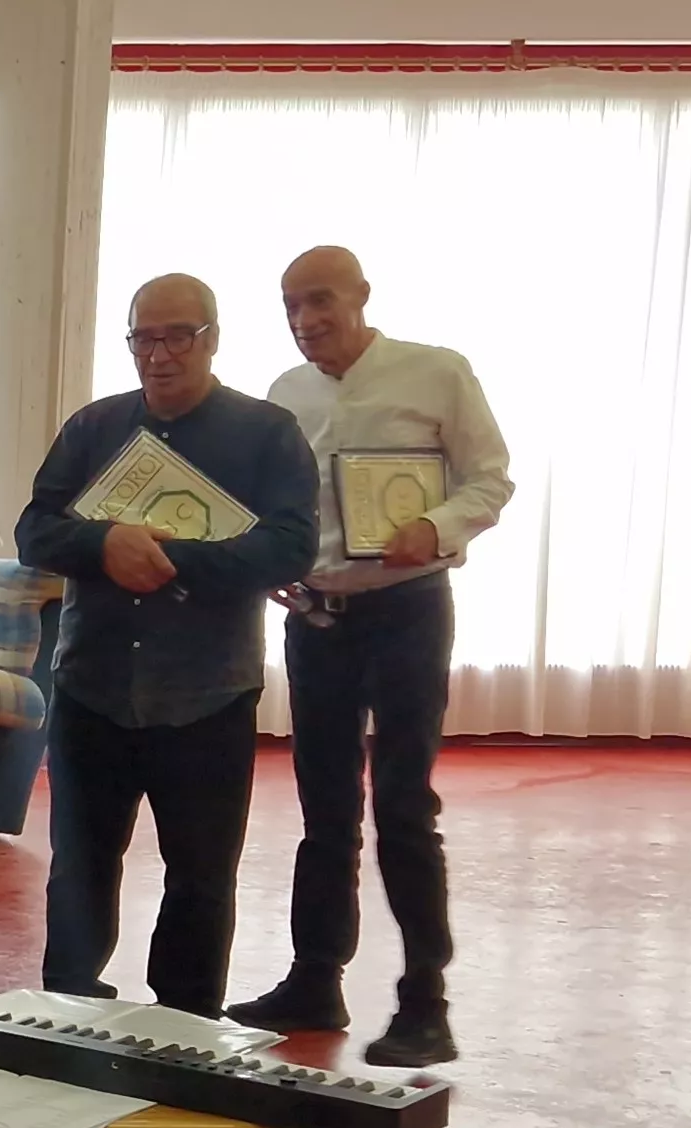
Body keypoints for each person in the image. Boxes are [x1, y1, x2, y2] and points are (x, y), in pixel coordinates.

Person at [227, 246, 511, 1067]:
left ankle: (427, 1001)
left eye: (320, 301)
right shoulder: (285, 394)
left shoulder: (436, 373)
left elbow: (490, 479)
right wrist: (271, 563)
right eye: (290, 306)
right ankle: (316, 978)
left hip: (409, 611)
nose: (306, 320)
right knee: (323, 807)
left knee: (401, 804)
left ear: (361, 297)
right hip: (317, 617)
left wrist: (439, 528)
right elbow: (273, 508)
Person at [18, 275, 319, 1018]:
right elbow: (35, 529)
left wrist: (173, 559)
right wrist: (102, 543)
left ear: (211, 339)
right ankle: (69, 1012)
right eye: (142, 339)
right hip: (93, 686)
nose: (158, 355)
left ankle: (185, 1031)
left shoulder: (266, 433)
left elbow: (291, 548)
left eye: (176, 336)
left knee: (201, 876)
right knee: (80, 868)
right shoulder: (93, 428)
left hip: (207, 693)